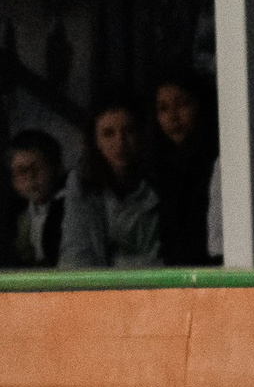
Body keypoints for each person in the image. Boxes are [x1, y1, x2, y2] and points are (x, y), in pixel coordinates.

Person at [61, 99, 166, 268]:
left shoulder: (161, 180)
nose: (120, 142)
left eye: (129, 131)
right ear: (96, 141)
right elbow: (76, 252)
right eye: (108, 133)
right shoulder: (82, 182)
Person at [150, 72, 219, 265]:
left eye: (181, 104)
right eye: (163, 108)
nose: (173, 117)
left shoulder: (217, 163)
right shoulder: (156, 167)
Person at [8, 130, 68, 268]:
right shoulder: (17, 217)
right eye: (22, 171)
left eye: (39, 167)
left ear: (56, 167)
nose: (31, 177)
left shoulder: (72, 207)